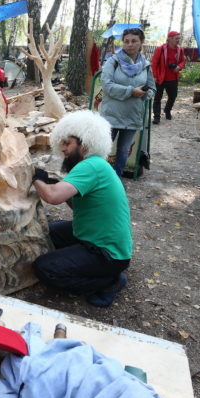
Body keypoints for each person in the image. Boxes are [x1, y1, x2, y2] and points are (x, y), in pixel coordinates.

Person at [32, 110, 132, 307]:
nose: (63, 149)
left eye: (67, 143)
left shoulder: (91, 166)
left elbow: (52, 197)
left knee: (44, 268)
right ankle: (91, 266)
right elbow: (72, 203)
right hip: (94, 235)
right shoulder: (95, 165)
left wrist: (37, 179)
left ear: (85, 144)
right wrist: (53, 184)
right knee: (47, 232)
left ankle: (109, 281)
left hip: (108, 253)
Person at [100, 27, 155, 177]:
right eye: (126, 41)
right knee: (102, 149)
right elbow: (106, 85)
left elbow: (152, 87)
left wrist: (144, 94)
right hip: (111, 114)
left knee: (124, 150)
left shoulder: (146, 65)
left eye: (134, 41)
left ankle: (115, 180)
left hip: (132, 114)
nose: (130, 44)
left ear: (141, 42)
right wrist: (131, 91)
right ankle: (97, 179)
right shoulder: (113, 61)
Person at [151, 31, 186, 124]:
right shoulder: (160, 49)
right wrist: (154, 76)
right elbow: (154, 63)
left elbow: (183, 61)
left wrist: (179, 67)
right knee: (157, 98)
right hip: (160, 78)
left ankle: (167, 110)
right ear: (170, 39)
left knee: (173, 96)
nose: (178, 40)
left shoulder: (180, 49)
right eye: (176, 38)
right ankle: (156, 117)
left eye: (179, 38)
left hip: (173, 78)